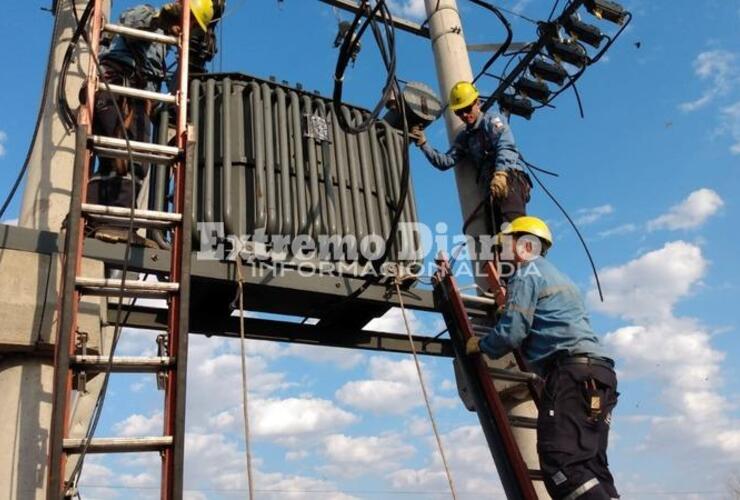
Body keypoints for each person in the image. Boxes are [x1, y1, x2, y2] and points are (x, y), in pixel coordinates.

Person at [466, 216, 620, 500]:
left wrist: (482, 345)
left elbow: (512, 334)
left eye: (505, 244)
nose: (502, 252)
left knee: (561, 465)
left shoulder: (526, 274)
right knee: (592, 465)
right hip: (600, 375)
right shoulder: (560, 277)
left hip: (570, 375)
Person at [87, 0, 221, 244]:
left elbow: (162, 91)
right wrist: (161, 18)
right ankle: (112, 224)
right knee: (125, 158)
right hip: (118, 87)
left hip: (129, 95)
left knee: (120, 160)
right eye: (189, 22)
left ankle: (99, 221)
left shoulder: (166, 46)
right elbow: (129, 21)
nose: (187, 29)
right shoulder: (149, 15)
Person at [409, 81, 532, 231]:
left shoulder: (492, 120)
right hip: (491, 190)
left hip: (509, 179)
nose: (465, 115)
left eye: (467, 109)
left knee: (514, 230)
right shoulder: (465, 137)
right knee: (496, 243)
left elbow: (506, 146)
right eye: (459, 112)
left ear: (477, 102)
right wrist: (424, 144)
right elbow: (446, 162)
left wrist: (500, 173)